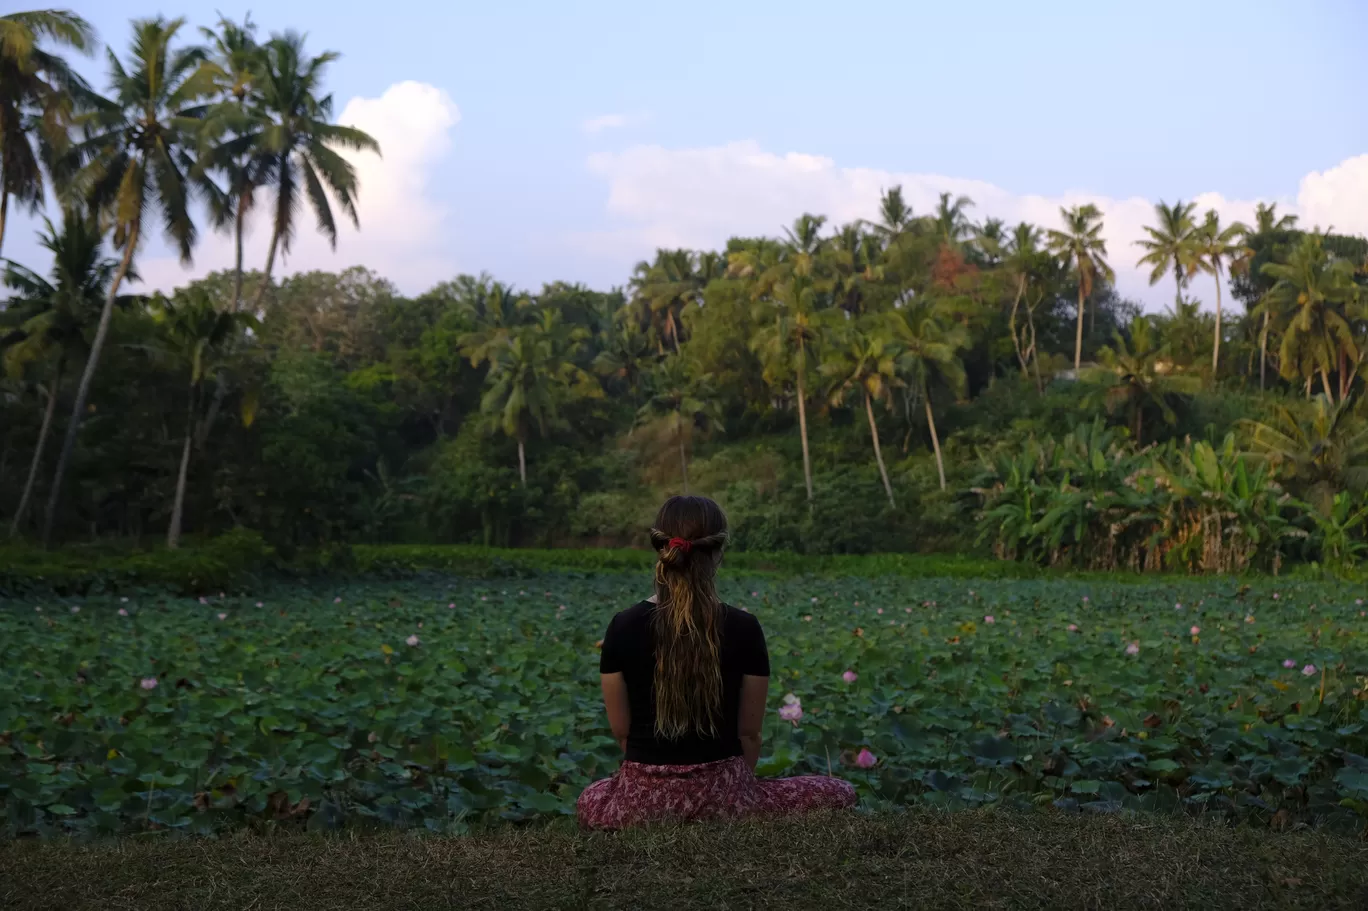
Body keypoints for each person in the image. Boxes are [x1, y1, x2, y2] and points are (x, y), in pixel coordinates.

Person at [577, 495, 856, 829]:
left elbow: (622, 733)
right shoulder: (744, 627)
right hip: (725, 799)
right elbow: (749, 734)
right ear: (719, 552)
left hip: (641, 804)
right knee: (841, 791)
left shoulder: (621, 626)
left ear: (660, 549)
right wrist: (732, 793)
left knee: (591, 796)